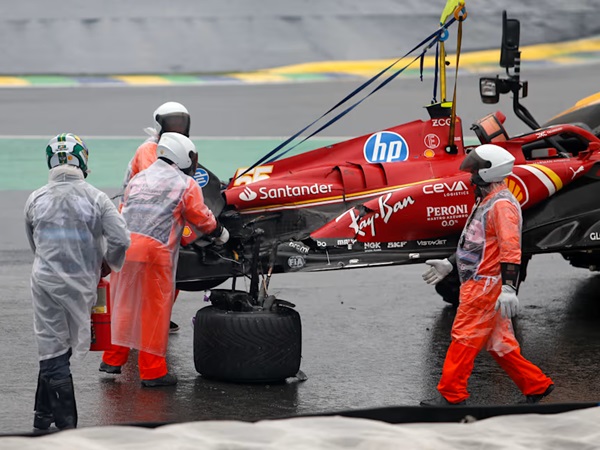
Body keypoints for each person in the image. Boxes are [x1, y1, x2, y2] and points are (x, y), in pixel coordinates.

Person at [420, 144, 554, 406]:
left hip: (484, 286)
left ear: (490, 173)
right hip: (481, 282)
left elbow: (511, 249)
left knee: (464, 336)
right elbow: (477, 244)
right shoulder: (489, 201)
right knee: (499, 343)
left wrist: (509, 289)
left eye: (476, 170)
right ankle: (536, 385)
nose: (471, 176)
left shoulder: (502, 206)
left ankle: (451, 396)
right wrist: (450, 263)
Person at [100, 132, 229, 387]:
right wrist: (220, 232)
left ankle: (112, 360)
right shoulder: (184, 184)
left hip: (125, 248)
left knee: (124, 306)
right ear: (183, 155)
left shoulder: (138, 179)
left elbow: (124, 211)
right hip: (154, 253)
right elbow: (200, 217)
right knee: (153, 310)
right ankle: (153, 372)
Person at [25, 133, 131, 430]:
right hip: (83, 282)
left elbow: (34, 243)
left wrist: (49, 265)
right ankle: (65, 426)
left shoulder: (35, 198)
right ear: (82, 160)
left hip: (45, 281)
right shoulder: (96, 198)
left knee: (53, 346)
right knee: (58, 348)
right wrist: (107, 263)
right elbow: (121, 238)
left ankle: (43, 415)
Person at [121, 101, 191, 333]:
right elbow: (161, 184)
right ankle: (144, 318)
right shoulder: (149, 150)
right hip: (139, 216)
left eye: (181, 121)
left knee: (177, 267)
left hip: (162, 214)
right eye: (172, 121)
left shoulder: (182, 145)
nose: (177, 126)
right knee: (151, 269)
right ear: (159, 124)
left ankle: (159, 313)